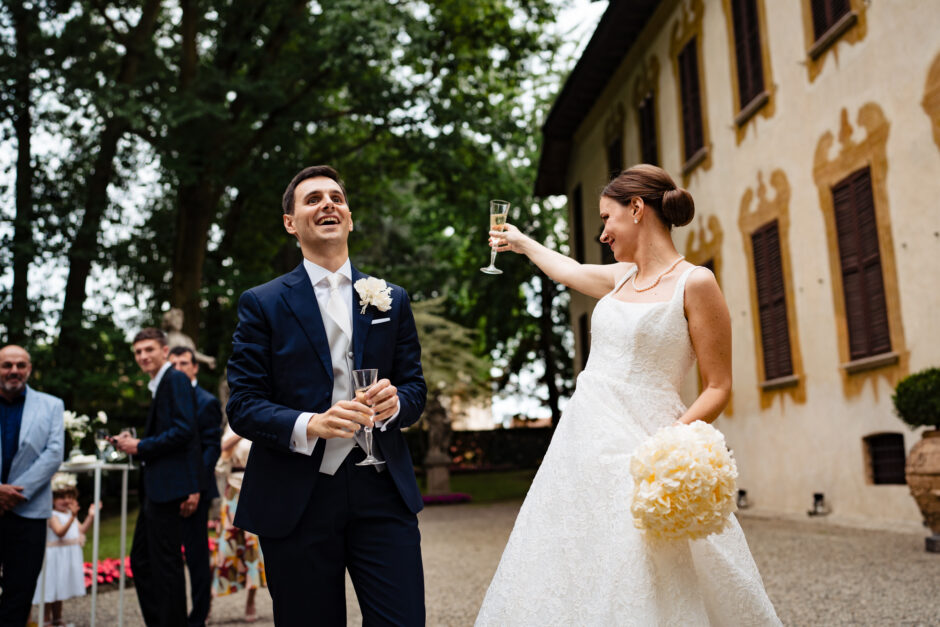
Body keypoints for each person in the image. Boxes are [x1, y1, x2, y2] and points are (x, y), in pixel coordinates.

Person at [476, 164, 780, 625]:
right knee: (571, 559)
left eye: (607, 218)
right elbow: (570, 270)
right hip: (580, 449)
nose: (603, 233)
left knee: (641, 561)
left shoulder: (695, 283)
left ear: (636, 209)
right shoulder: (620, 279)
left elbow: (719, 386)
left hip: (644, 446)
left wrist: (668, 448)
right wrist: (520, 243)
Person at [226, 165, 427, 625]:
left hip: (381, 489)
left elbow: (415, 388)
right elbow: (243, 406)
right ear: (290, 223)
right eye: (312, 199)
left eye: (336, 197)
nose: (328, 204)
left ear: (350, 218)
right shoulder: (263, 303)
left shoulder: (390, 299)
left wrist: (398, 403)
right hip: (298, 494)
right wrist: (310, 424)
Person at [113, 328, 202, 626]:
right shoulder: (159, 384)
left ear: (165, 351)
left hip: (168, 487)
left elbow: (184, 430)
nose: (143, 356)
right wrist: (137, 440)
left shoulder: (174, 379)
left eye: (148, 349)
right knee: (142, 561)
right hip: (156, 488)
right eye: (138, 352)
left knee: (165, 567)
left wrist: (140, 446)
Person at [0, 344, 65, 626]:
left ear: (29, 369)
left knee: (20, 591)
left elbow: (53, 453)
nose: (14, 370)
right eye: (7, 365)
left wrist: (12, 494)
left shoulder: (51, 405)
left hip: (29, 513)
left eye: (20, 365)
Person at [169, 346, 222, 627]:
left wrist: (194, 487)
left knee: (196, 555)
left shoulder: (206, 401)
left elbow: (211, 449)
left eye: (183, 363)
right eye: (173, 363)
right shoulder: (165, 399)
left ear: (195, 367)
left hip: (196, 490)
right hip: (166, 490)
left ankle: (199, 616)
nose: (178, 367)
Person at [211, 424, 266, 622]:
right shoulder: (235, 424)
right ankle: (209, 603)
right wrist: (242, 431)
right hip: (233, 489)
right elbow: (222, 451)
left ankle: (250, 601)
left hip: (256, 489)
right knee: (226, 546)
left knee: (253, 548)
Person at [31, 474, 99, 627]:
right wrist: (73, 516)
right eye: (61, 497)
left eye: (69, 497)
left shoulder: (69, 514)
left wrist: (90, 516)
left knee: (60, 588)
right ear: (52, 499)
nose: (66, 501)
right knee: (50, 588)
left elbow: (81, 530)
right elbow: (60, 532)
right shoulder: (51, 514)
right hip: (53, 557)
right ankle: (46, 619)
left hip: (65, 556)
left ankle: (57, 618)